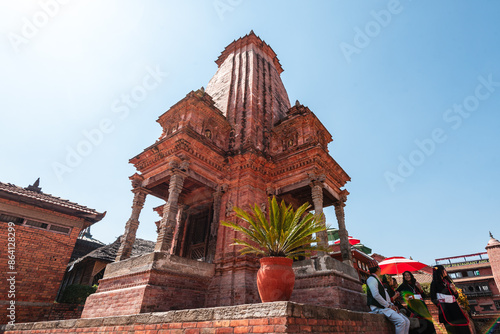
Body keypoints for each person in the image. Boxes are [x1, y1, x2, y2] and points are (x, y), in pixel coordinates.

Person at [367, 262, 410, 334]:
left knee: (407, 321)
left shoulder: (376, 279)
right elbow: (376, 295)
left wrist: (391, 305)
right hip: (379, 308)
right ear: (377, 269)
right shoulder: (371, 279)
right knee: (401, 322)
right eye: (380, 268)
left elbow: (385, 296)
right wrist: (388, 305)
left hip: (385, 307)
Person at [430, 265, 471, 334]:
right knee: (451, 327)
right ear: (440, 271)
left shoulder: (448, 281)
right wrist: (440, 305)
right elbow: (433, 298)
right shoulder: (434, 283)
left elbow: (456, 296)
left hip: (454, 306)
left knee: (462, 324)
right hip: (445, 308)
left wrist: (454, 290)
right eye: (444, 270)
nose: (446, 271)